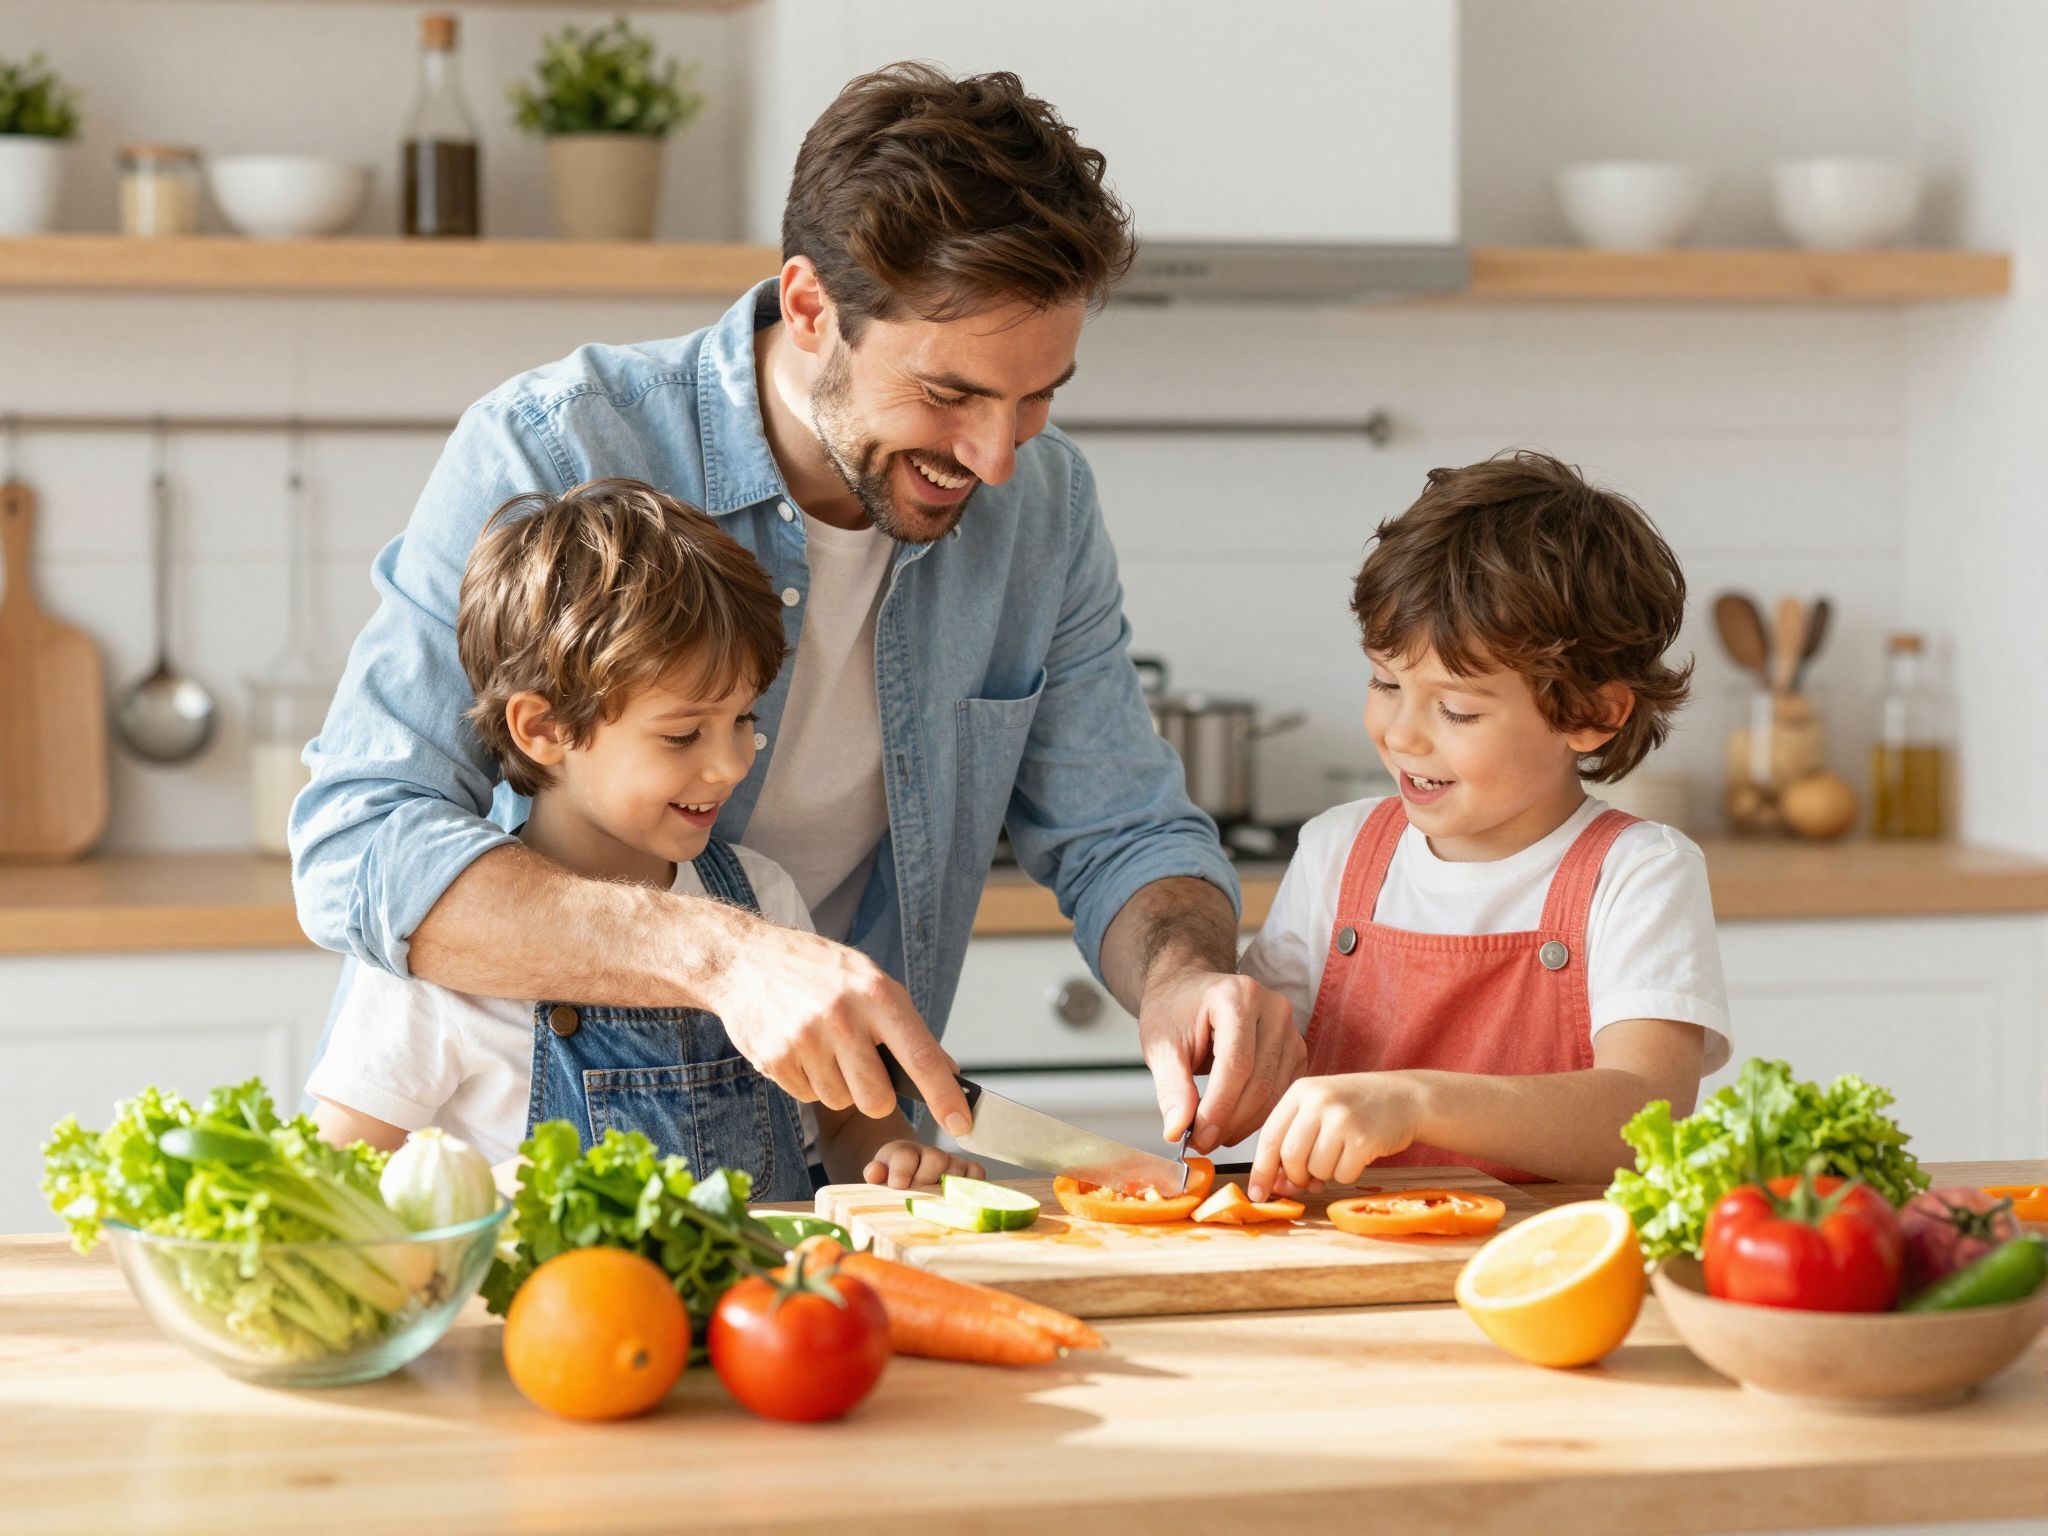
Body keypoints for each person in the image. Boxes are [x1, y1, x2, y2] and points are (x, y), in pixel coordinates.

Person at [292, 62, 1300, 1164]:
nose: (996, 459)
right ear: (812, 307)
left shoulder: (1043, 507)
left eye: (1036, 397)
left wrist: (1182, 977)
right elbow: (358, 844)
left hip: (842, 1166)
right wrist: (725, 960)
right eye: (949, 394)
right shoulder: (556, 445)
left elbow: (1121, 830)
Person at [307, 478, 985, 1195]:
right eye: (683, 734)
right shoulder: (448, 955)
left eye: (743, 720)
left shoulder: (763, 897)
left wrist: (896, 1158)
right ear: (543, 728)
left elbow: (846, 1124)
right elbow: (338, 1178)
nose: (731, 765)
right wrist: (488, 1193)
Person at [1239, 450, 1731, 1199]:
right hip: (1344, 1254)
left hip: (1546, 1257)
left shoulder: (1638, 872)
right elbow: (1262, 1052)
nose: (1402, 734)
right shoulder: (1336, 851)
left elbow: (1644, 1118)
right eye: (1385, 682)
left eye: (1457, 709)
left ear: (1591, 713)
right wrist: (1220, 1030)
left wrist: (1414, 1101)